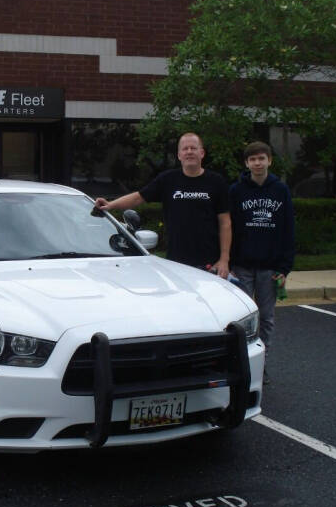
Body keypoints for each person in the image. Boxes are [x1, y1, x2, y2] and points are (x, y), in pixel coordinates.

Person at [94, 132, 231, 278]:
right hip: (176, 262)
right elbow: (138, 197)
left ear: (202, 153)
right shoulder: (168, 180)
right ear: (179, 155)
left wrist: (224, 260)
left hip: (209, 263)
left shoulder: (217, 182)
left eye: (193, 148)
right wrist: (110, 205)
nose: (189, 152)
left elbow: (225, 223)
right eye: (185, 149)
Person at [229, 141, 295, 383]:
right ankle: (242, 364)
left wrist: (284, 267)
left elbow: (288, 230)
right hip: (242, 266)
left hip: (270, 268)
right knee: (243, 318)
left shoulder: (280, 190)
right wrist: (228, 261)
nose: (257, 163)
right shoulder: (236, 191)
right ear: (246, 163)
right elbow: (229, 227)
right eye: (253, 159)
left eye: (262, 158)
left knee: (266, 318)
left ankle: (261, 365)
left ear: (270, 161)